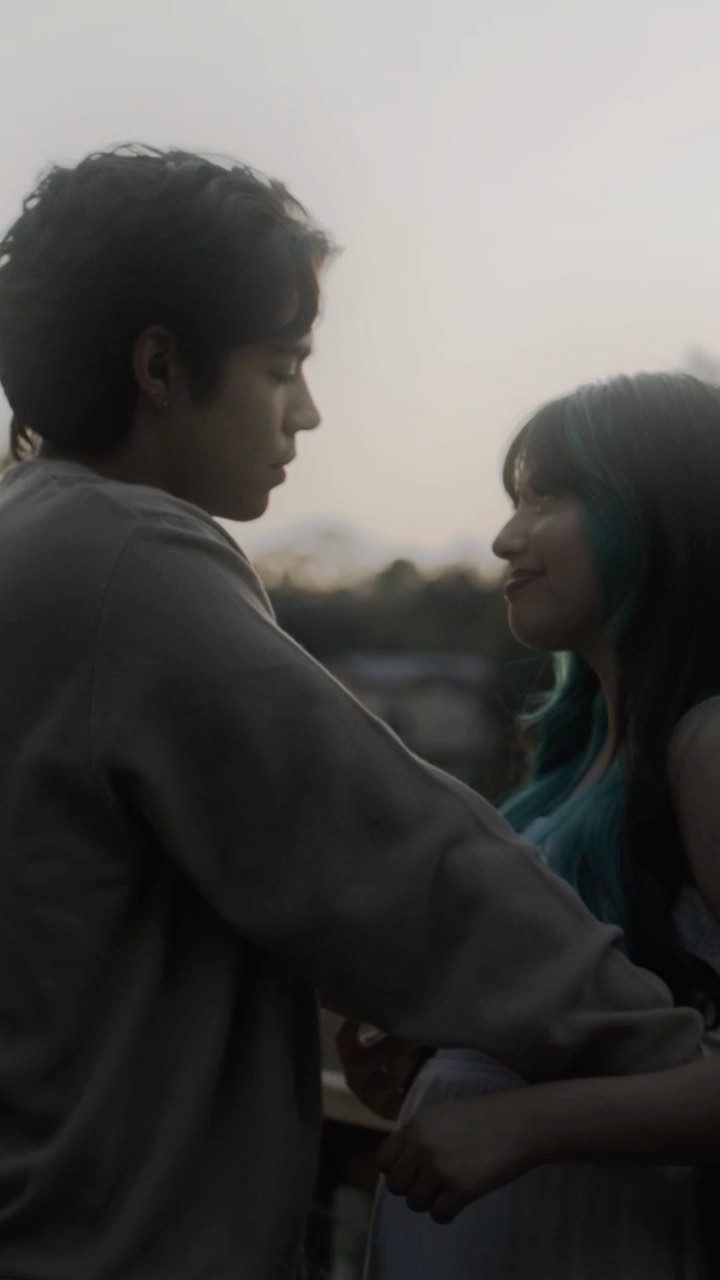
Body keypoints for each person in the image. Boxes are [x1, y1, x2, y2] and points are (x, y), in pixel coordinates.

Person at [0, 148, 705, 1280]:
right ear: (162, 365)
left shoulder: (33, 539)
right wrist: (667, 1053)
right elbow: (394, 853)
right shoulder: (124, 558)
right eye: (283, 367)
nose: (308, 411)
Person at [363, 371, 720, 1279]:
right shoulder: (587, 759)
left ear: (660, 515)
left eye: (549, 496)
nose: (505, 538)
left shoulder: (708, 744)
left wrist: (526, 1124)